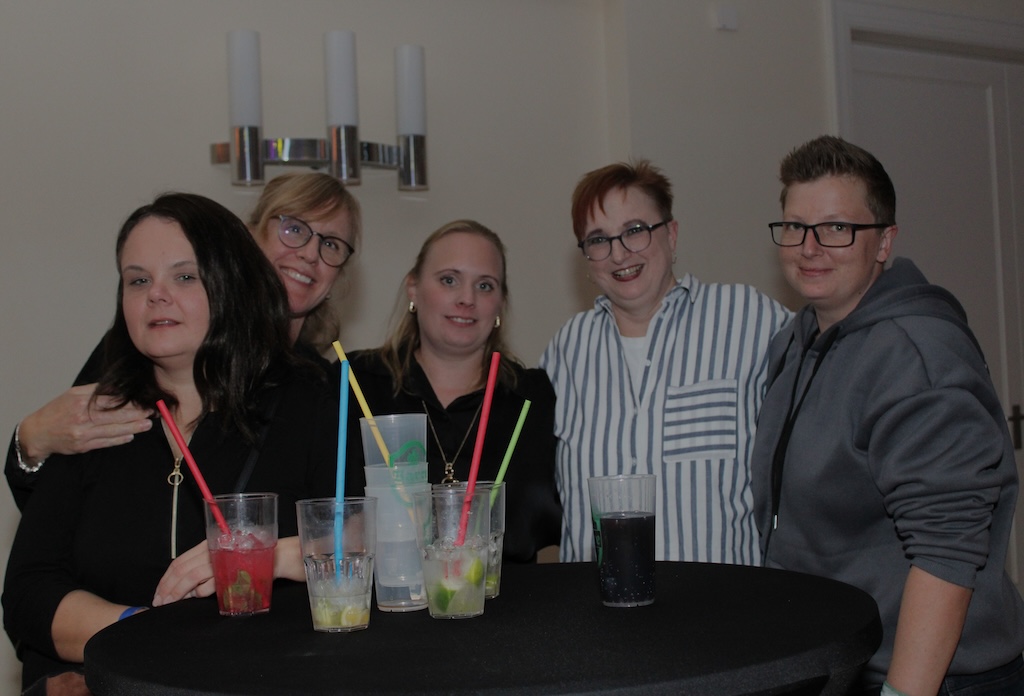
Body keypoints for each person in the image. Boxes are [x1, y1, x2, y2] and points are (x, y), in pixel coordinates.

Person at [2, 194, 339, 692]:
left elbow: (366, 549)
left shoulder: (312, 404)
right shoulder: (95, 415)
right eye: (138, 280)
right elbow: (29, 593)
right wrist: (142, 633)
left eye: (184, 276)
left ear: (233, 284)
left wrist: (277, 557)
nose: (156, 295)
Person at [751, 135, 1024, 694]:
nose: (809, 247)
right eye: (795, 226)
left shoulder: (915, 354)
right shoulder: (796, 341)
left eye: (836, 228)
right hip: (840, 662)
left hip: (932, 678)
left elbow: (946, 550)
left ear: (884, 242)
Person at [5, 172, 360, 510]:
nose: (310, 253)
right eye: (293, 229)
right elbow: (70, 500)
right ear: (248, 238)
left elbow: (338, 525)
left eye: (330, 244)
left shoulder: (319, 388)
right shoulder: (147, 348)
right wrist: (30, 439)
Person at [540, 160, 791, 564]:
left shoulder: (751, 320)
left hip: (724, 601)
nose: (619, 253)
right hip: (593, 602)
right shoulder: (565, 351)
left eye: (635, 230)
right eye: (599, 239)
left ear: (671, 235)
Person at [343, 219, 561, 562]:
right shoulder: (354, 383)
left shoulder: (535, 399)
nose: (467, 299)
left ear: (501, 303)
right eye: (449, 280)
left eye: (485, 286)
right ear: (413, 289)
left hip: (511, 595)